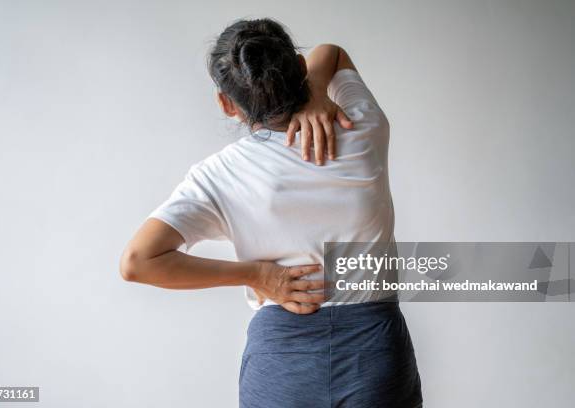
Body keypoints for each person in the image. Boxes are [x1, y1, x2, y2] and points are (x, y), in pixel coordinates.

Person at [120, 17, 422, 408]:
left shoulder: (219, 174)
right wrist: (315, 90)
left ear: (227, 104)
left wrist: (256, 275)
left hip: (281, 356)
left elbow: (137, 262)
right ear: (299, 68)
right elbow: (331, 51)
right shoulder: (361, 125)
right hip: (375, 352)